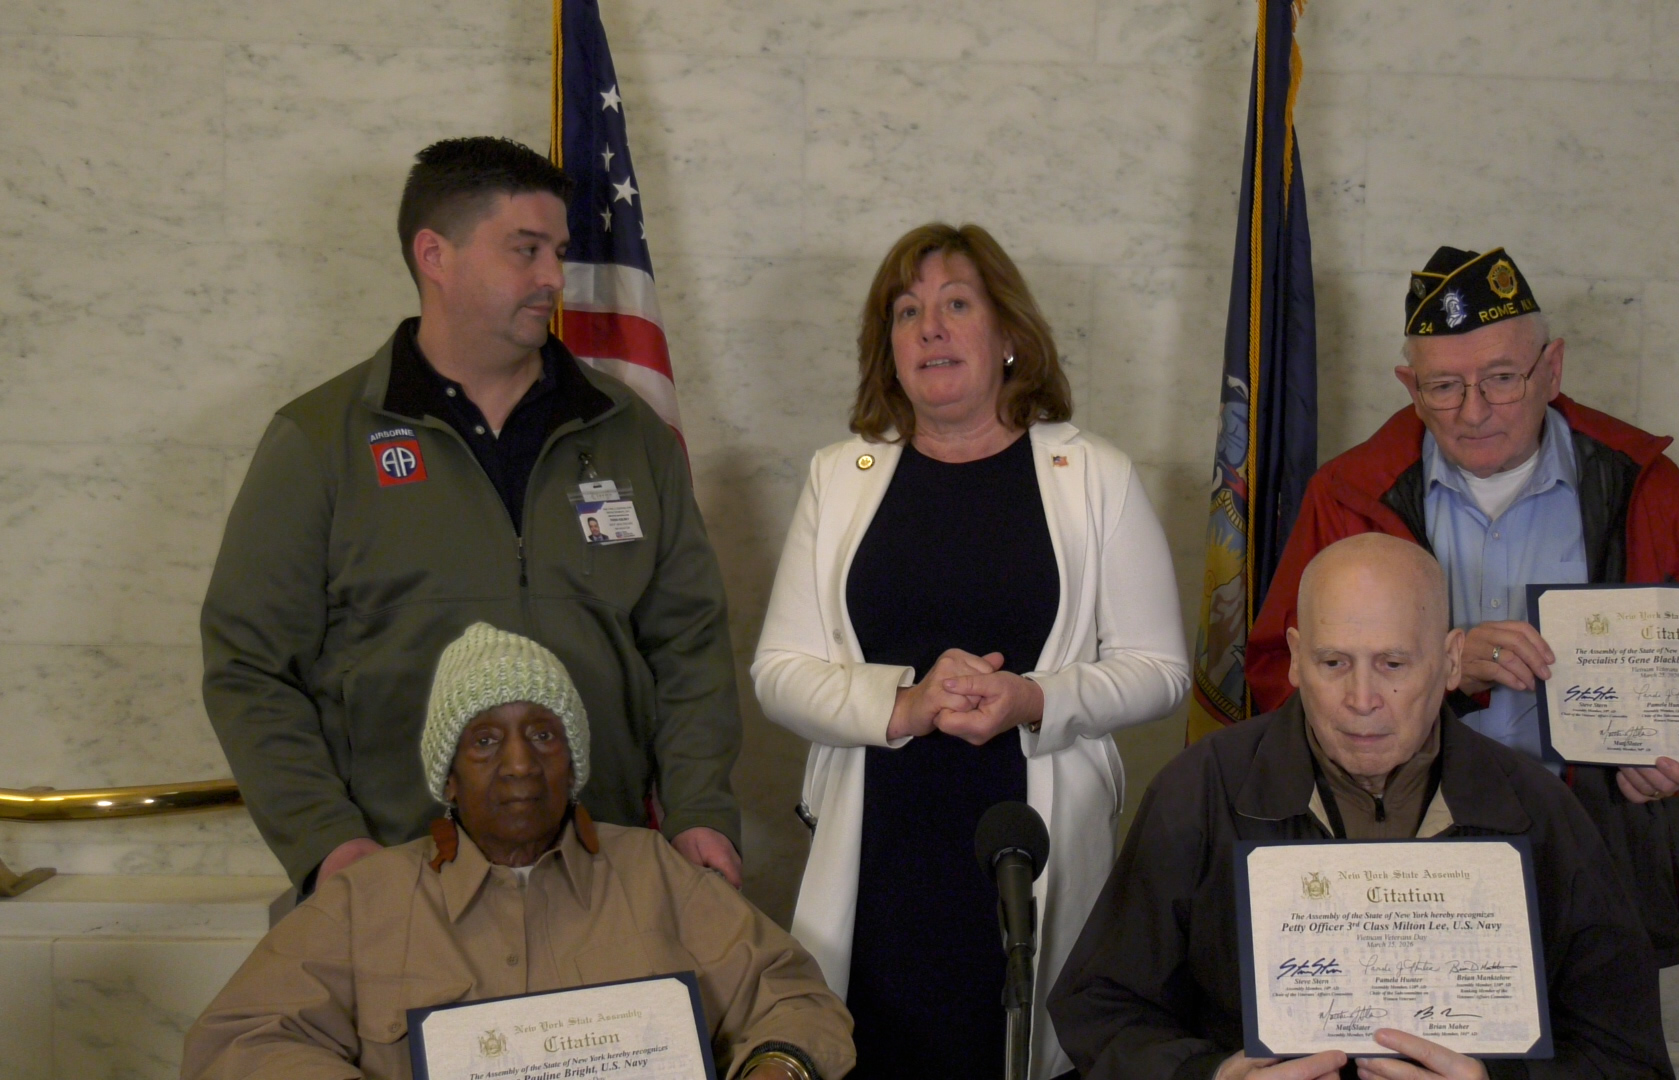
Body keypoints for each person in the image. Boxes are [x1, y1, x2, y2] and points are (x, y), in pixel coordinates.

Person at [201, 136, 744, 896]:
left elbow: (690, 650)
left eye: (557, 250)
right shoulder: (321, 439)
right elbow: (249, 667)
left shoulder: (629, 435)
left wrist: (700, 812)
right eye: (525, 250)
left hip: (605, 875)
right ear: (436, 254)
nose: (554, 277)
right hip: (393, 880)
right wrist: (325, 840)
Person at [752, 223, 1189, 1079]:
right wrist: (906, 704)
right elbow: (779, 672)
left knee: (1025, 1050)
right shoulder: (840, 476)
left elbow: (1161, 670)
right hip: (881, 837)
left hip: (1032, 833)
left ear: (1010, 338)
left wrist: (1035, 698)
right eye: (906, 312)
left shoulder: (1093, 474)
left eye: (957, 305)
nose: (931, 328)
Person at [1242, 247, 1679, 966]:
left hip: (1598, 827)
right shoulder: (1348, 493)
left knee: (1596, 1051)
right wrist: (1438, 666)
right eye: (1444, 386)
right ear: (1409, 386)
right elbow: (1276, 676)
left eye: (1501, 378)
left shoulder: (1644, 482)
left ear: (1552, 369)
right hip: (1405, 832)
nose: (1474, 412)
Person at [1051, 534, 1675, 1080]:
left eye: (1394, 663)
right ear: (1294, 658)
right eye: (1333, 663)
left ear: (1452, 660)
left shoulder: (1539, 811)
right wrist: (1209, 1075)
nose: (1362, 698)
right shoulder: (1200, 791)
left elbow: (1626, 1054)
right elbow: (1101, 1009)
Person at [181, 623, 853, 1080]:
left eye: (542, 735)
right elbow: (237, 1041)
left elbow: (795, 997)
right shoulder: (365, 901)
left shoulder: (658, 876)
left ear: (575, 762)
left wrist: (778, 1067)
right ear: (447, 775)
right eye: (484, 741)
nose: (519, 766)